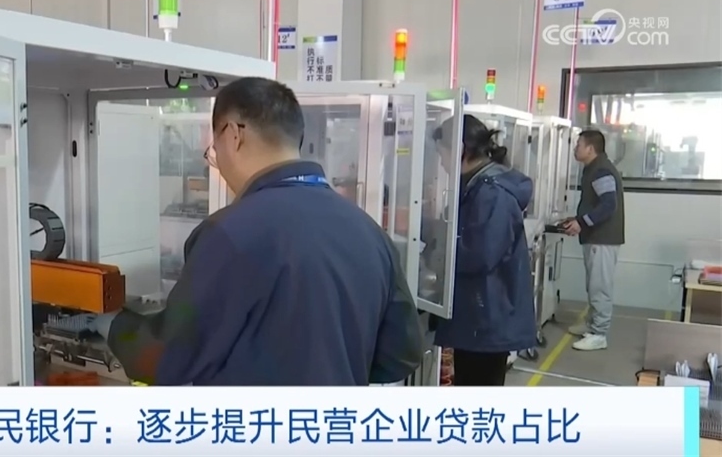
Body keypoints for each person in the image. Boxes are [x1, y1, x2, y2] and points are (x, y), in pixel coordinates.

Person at [86, 77, 424, 385]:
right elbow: (400, 355)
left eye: (214, 150)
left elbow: (164, 358)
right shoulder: (368, 231)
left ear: (234, 134)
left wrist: (110, 324)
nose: (217, 162)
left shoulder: (229, 233)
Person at [430, 115, 535, 386]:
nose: (442, 163)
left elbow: (480, 255)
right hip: (479, 314)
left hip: (486, 317)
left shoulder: (492, 193)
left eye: (442, 153)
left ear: (460, 150)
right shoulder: (476, 185)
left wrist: (436, 255)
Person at [561, 129, 624, 351]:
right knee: (593, 284)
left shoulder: (601, 170)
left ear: (590, 148)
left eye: (578, 145)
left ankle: (599, 334)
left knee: (600, 287)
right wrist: (577, 219)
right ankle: (592, 324)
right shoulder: (593, 168)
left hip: (602, 238)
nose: (575, 149)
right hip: (595, 237)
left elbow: (608, 205)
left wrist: (582, 223)